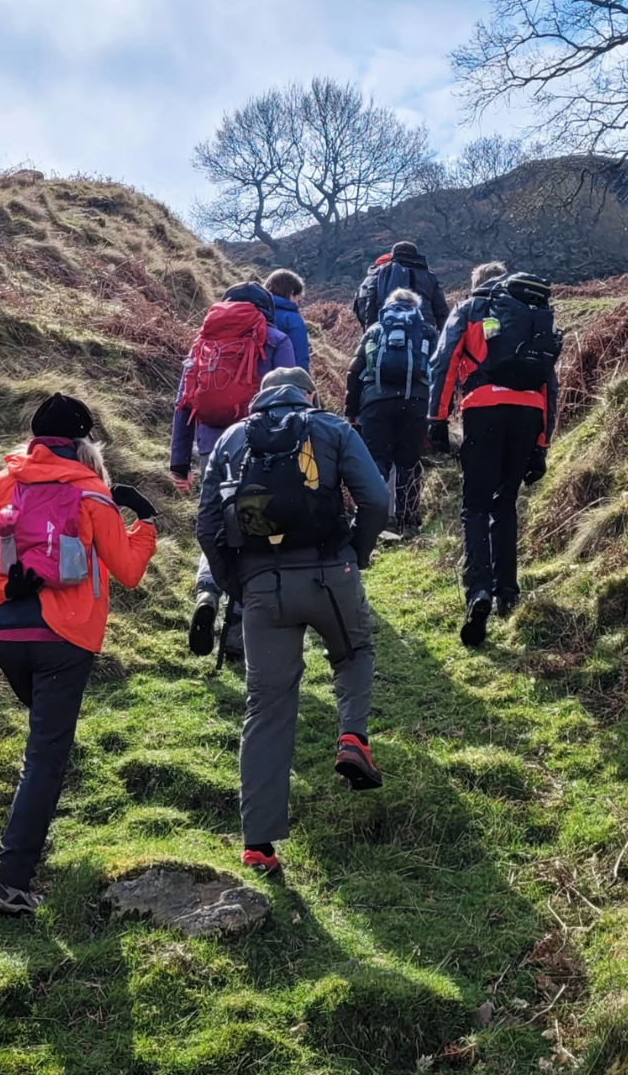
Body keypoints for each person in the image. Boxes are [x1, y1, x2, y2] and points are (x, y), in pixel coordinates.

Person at [0, 393, 157, 914]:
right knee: (44, 759)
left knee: (43, 746)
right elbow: (128, 572)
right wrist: (145, 522)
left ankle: (29, 840)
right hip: (65, 639)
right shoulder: (93, 496)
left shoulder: (3, 481)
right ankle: (10, 883)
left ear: (36, 439)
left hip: (4, 632)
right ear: (84, 443)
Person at [197, 366, 390, 875]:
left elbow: (206, 523)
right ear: (307, 396)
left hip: (262, 586)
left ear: (259, 400)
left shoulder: (232, 440)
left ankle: (258, 844)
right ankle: (351, 737)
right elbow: (376, 499)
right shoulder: (332, 429)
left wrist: (236, 583)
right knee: (355, 652)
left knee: (266, 708)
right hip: (331, 571)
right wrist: (357, 554)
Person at [428, 265, 560, 647]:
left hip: (483, 409)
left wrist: (437, 420)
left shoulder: (470, 308)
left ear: (476, 283)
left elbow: (445, 360)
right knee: (506, 505)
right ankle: (507, 592)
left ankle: (478, 592)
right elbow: (548, 381)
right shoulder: (535, 311)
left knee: (475, 506)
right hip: (528, 413)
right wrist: (541, 444)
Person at [170, 282, 296, 659]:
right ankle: (239, 630)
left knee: (218, 525)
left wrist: (180, 460)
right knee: (256, 532)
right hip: (263, 449)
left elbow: (183, 403)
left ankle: (208, 590)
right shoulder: (275, 339)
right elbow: (291, 397)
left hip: (212, 449)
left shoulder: (202, 343)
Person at [345, 288, 439, 540]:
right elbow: (439, 369)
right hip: (415, 403)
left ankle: (371, 521)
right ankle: (408, 523)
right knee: (408, 461)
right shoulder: (426, 331)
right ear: (415, 306)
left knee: (377, 460)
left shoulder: (375, 330)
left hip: (376, 403)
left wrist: (351, 411)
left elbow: (354, 372)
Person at [353, 241, 449, 332]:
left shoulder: (381, 272)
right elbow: (441, 310)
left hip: (387, 326)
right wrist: (446, 339)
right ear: (416, 254)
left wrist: (370, 331)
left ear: (393, 254)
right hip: (423, 328)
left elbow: (371, 304)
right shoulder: (429, 276)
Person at [265, 269, 310, 371]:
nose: (297, 305)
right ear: (292, 293)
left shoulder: (256, 311)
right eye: (298, 300)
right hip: (281, 382)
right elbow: (300, 359)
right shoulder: (293, 320)